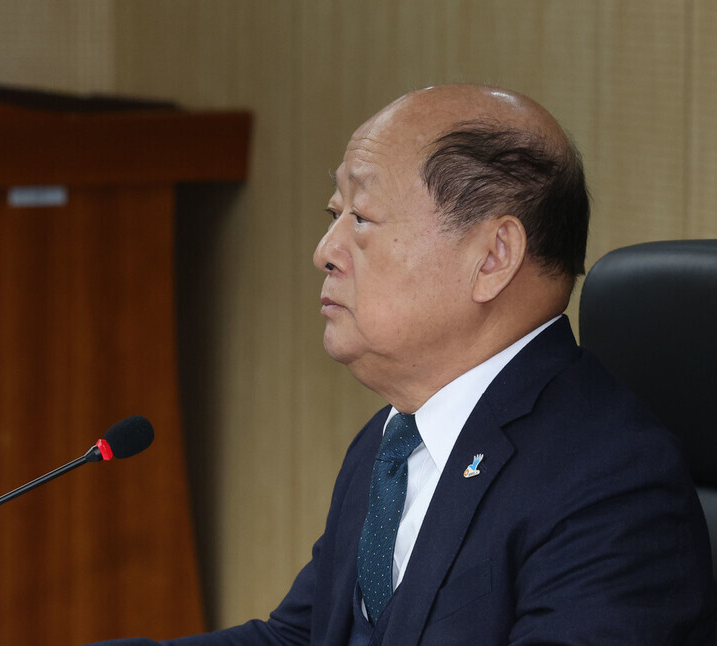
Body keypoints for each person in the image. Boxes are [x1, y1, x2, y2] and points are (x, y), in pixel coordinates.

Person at [93, 84, 716, 644]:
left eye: (360, 217)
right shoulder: (394, 439)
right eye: (334, 215)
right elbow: (303, 638)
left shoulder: (611, 488)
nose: (324, 252)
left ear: (492, 256)